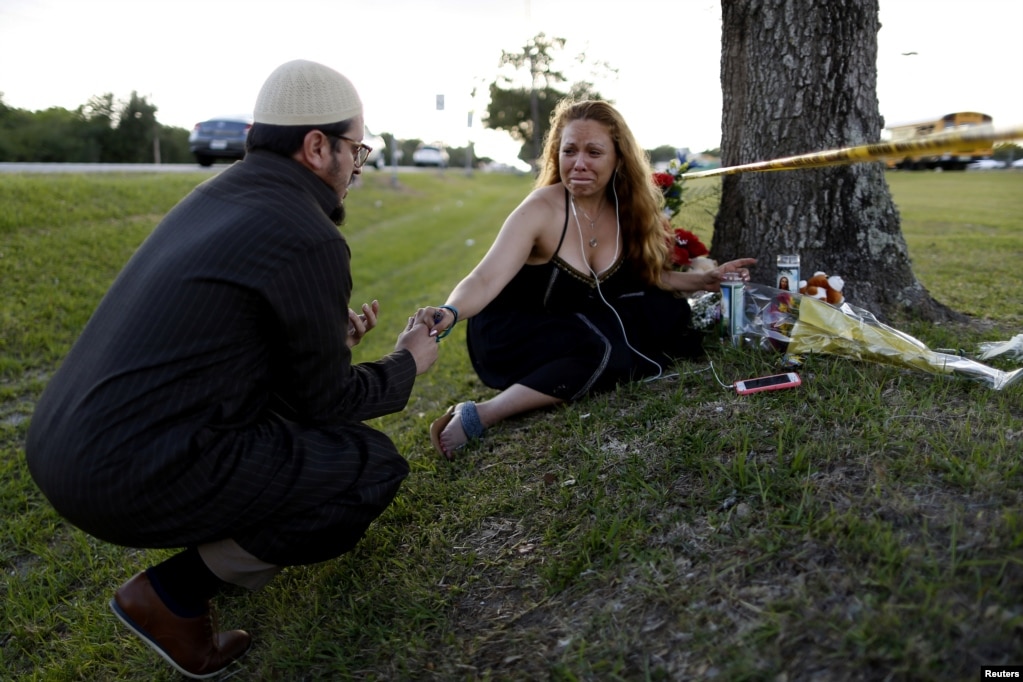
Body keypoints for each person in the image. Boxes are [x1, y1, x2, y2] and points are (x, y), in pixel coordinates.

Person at [24, 59, 439, 679]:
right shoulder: (309, 234)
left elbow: (230, 352)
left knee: (309, 446)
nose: (360, 164)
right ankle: (171, 596)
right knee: (370, 467)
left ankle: (203, 566)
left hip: (65, 445)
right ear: (317, 145)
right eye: (358, 148)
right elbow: (324, 406)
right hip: (126, 468)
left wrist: (323, 342)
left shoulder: (220, 193)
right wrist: (406, 363)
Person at [425, 99, 755, 459]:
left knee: (667, 315)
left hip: (575, 321)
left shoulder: (629, 210)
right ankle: (482, 413)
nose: (579, 163)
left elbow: (649, 278)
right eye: (569, 151)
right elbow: (485, 278)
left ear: (618, 159)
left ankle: (607, 360)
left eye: (594, 152)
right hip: (514, 331)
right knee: (602, 345)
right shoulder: (541, 209)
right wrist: (451, 312)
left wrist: (706, 280)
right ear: (556, 155)